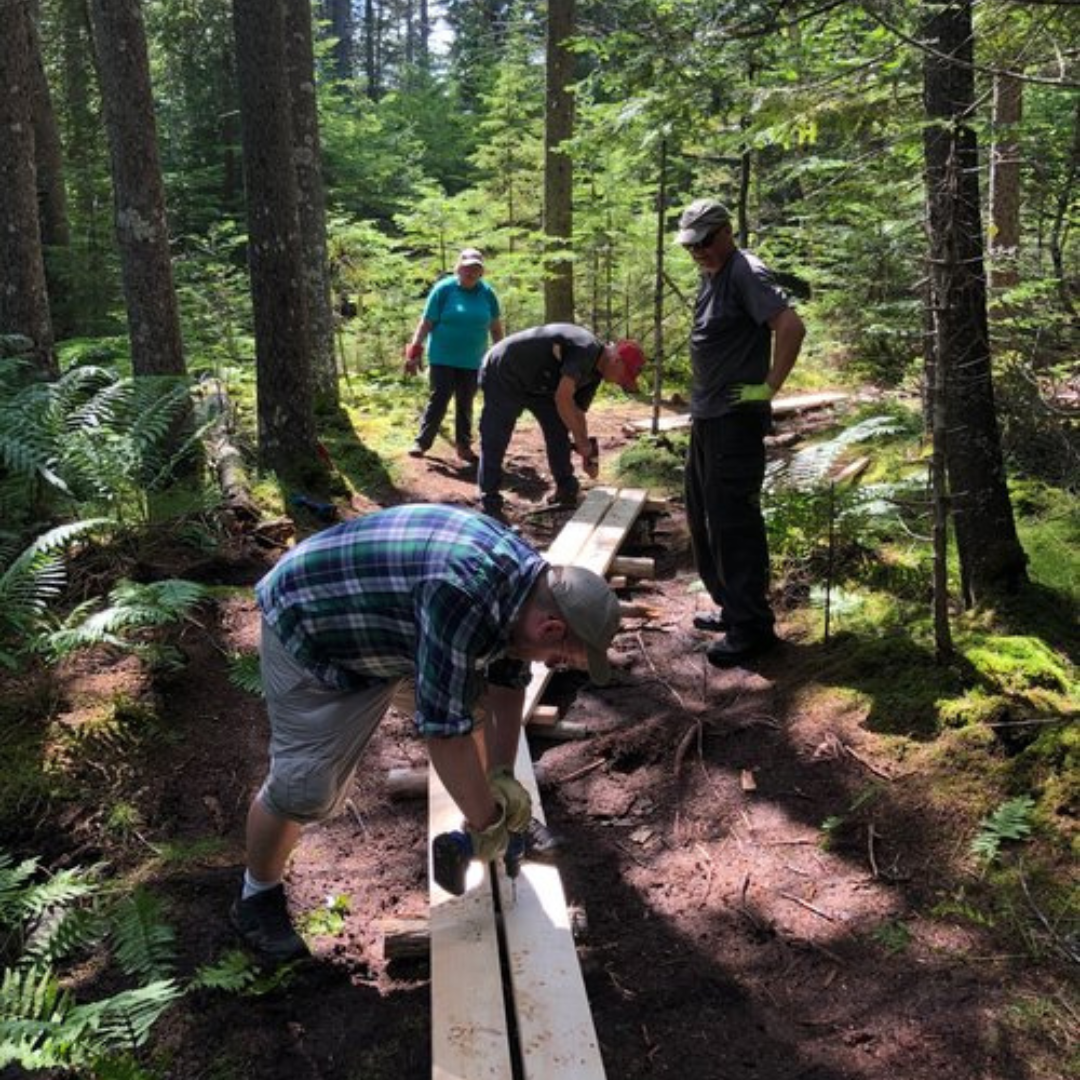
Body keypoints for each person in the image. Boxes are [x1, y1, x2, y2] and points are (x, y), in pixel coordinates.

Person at [231, 503, 621, 964]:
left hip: (390, 630)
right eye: (559, 658)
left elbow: (507, 684)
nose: (552, 665)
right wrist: (489, 828)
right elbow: (445, 735)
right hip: (313, 632)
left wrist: (502, 780)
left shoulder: (527, 591)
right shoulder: (462, 596)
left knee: (470, 707)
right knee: (306, 787)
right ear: (551, 627)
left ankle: (484, 807)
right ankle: (256, 897)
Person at [676, 198, 805, 667]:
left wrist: (768, 387)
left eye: (705, 242)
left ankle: (752, 627)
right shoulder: (712, 275)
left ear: (726, 232)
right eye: (691, 246)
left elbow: (790, 326)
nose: (699, 252)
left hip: (735, 422)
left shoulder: (745, 270)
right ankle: (733, 609)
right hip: (708, 418)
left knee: (733, 522)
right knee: (703, 516)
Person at [477, 323, 646, 520]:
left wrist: (587, 451)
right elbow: (563, 398)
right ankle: (490, 504)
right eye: (623, 377)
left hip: (539, 382)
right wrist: (582, 443)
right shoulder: (586, 349)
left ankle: (566, 489)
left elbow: (577, 412)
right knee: (496, 434)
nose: (619, 382)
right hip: (504, 369)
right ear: (616, 360)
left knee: (558, 428)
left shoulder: (596, 373)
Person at [404, 248, 504, 463]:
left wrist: (500, 356)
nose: (471, 272)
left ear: (481, 271)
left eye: (476, 268)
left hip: (473, 360)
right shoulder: (444, 289)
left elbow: (496, 328)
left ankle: (463, 446)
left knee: (465, 402)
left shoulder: (487, 293)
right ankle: (422, 442)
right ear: (458, 268)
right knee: (439, 398)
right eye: (467, 267)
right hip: (442, 357)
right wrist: (414, 350)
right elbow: (426, 322)